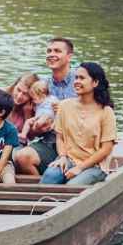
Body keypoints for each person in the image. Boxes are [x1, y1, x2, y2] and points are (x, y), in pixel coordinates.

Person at [40, 62, 117, 186]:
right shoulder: (65, 105)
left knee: (72, 186)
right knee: (50, 176)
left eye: (82, 78)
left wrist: (80, 168)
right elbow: (60, 137)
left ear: (95, 83)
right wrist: (63, 157)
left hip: (95, 166)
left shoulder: (106, 111)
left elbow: (106, 149)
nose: (76, 81)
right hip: (69, 159)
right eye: (76, 78)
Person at [13, 37, 78, 176]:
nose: (51, 54)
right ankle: (40, 189)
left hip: (75, 144)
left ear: (69, 56)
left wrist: (65, 109)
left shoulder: (79, 81)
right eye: (49, 51)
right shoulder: (42, 85)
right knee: (21, 157)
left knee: (57, 173)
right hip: (50, 142)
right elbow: (34, 128)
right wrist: (37, 128)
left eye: (57, 51)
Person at [19, 79, 58, 143]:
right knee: (28, 121)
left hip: (48, 116)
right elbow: (36, 110)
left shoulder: (51, 99)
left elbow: (58, 108)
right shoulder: (37, 103)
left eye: (34, 99)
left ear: (42, 95)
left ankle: (39, 128)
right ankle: (23, 134)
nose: (33, 101)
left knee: (42, 119)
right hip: (39, 117)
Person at [5, 72, 39, 145]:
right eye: (18, 90)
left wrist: (28, 115)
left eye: (25, 94)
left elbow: (31, 138)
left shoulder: (34, 108)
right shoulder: (3, 97)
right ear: (15, 85)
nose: (19, 96)